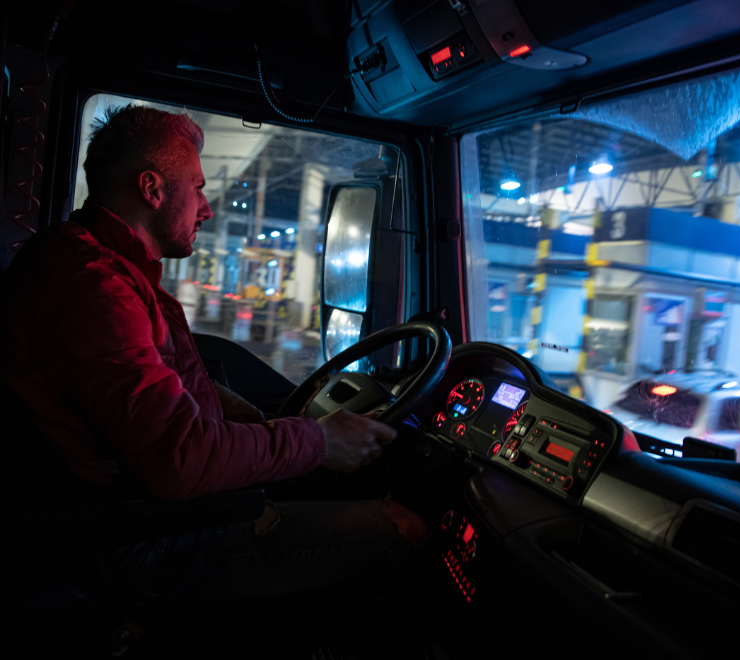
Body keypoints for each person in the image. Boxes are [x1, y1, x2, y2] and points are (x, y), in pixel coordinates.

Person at [0, 105, 426, 625]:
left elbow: (153, 384)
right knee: (401, 530)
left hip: (144, 514)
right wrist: (319, 441)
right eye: (197, 188)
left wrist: (244, 415)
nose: (206, 208)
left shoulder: (109, 270)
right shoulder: (92, 288)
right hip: (139, 542)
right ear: (153, 190)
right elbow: (177, 459)